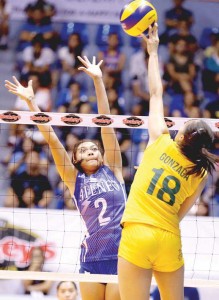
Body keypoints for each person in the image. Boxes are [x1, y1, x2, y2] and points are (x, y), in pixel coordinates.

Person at [5, 56, 126, 300]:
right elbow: (52, 139)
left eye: (94, 148)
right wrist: (31, 104)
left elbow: (107, 125)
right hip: (91, 258)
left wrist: (98, 81)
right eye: (84, 150)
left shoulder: (113, 168)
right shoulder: (75, 179)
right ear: (76, 160)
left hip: (122, 256)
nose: (91, 150)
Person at [118, 24, 218, 300]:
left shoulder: (159, 140)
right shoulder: (200, 172)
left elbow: (155, 93)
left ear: (182, 134)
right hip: (168, 237)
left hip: (138, 232)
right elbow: (180, 213)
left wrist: (153, 50)